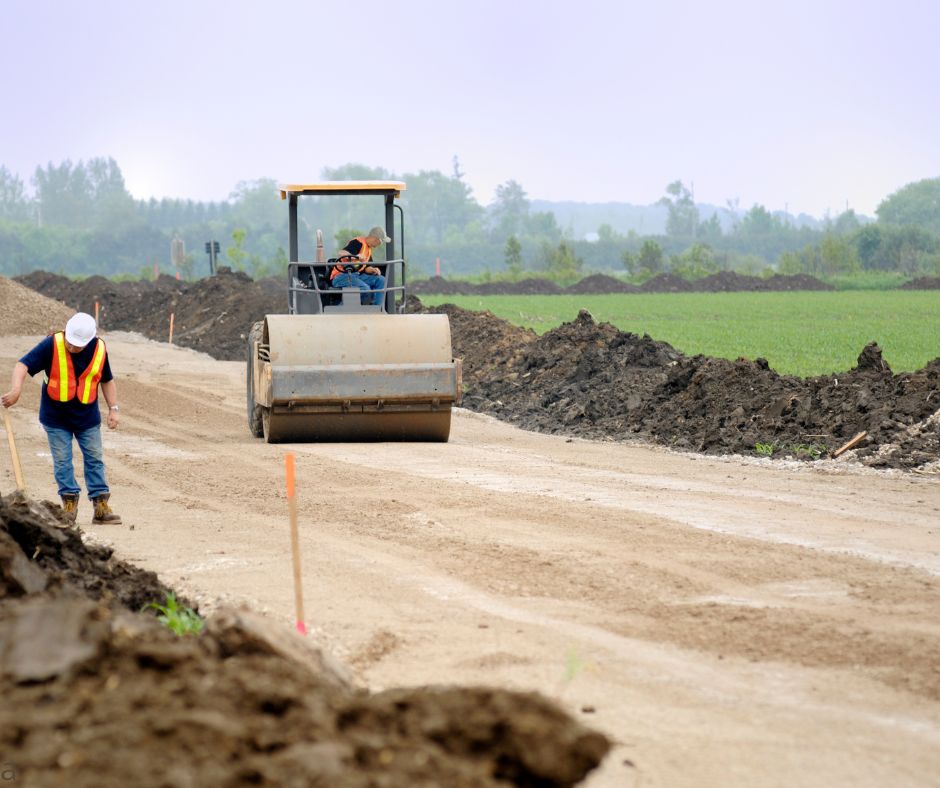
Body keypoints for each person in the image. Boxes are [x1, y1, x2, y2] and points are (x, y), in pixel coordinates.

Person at [1, 312, 122, 525]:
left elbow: (107, 380)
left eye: (78, 346)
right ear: (65, 332)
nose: (72, 348)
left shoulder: (99, 349)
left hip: (87, 418)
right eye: (70, 342)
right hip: (56, 418)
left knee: (95, 459)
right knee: (63, 462)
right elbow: (23, 365)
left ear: (90, 340)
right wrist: (16, 390)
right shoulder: (52, 344)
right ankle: (69, 507)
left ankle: (101, 508)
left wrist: (114, 408)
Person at [330, 226, 390, 305]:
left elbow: (366, 268)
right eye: (381, 242)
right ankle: (341, 309)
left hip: (356, 276)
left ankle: (377, 310)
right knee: (364, 289)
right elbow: (341, 253)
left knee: (381, 280)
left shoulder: (368, 249)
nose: (380, 244)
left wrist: (373, 270)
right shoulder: (357, 242)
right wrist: (357, 256)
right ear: (376, 239)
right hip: (341, 276)